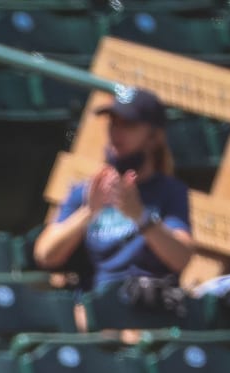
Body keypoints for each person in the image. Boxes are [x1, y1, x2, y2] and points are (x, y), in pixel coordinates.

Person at [33, 89, 194, 295]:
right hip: (97, 305)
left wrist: (140, 215)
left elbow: (181, 258)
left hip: (148, 304)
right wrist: (89, 212)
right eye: (113, 123)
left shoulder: (170, 191)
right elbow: (45, 254)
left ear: (154, 137)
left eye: (128, 125)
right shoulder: (87, 191)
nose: (116, 133)